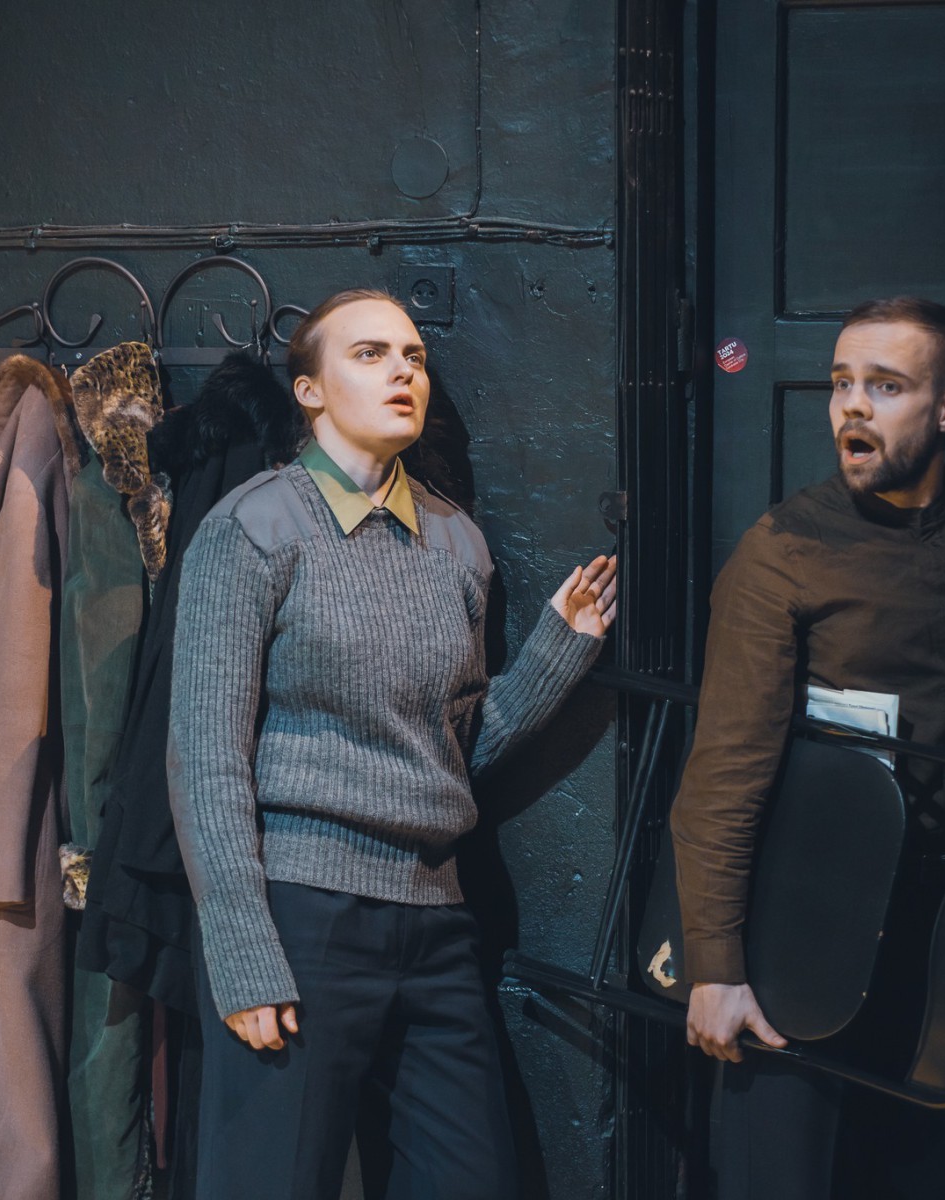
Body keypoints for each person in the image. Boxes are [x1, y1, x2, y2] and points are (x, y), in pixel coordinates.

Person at [168, 287, 617, 1200]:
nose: (403, 371)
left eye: (413, 356)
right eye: (370, 354)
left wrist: (553, 654)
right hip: (301, 915)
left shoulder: (458, 543)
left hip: (436, 920)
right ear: (310, 392)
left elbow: (453, 752)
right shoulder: (254, 528)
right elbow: (206, 759)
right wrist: (242, 949)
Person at [669, 296, 945, 1198]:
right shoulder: (781, 553)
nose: (852, 406)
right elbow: (724, 774)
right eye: (842, 384)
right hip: (803, 933)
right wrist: (714, 971)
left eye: (885, 386)